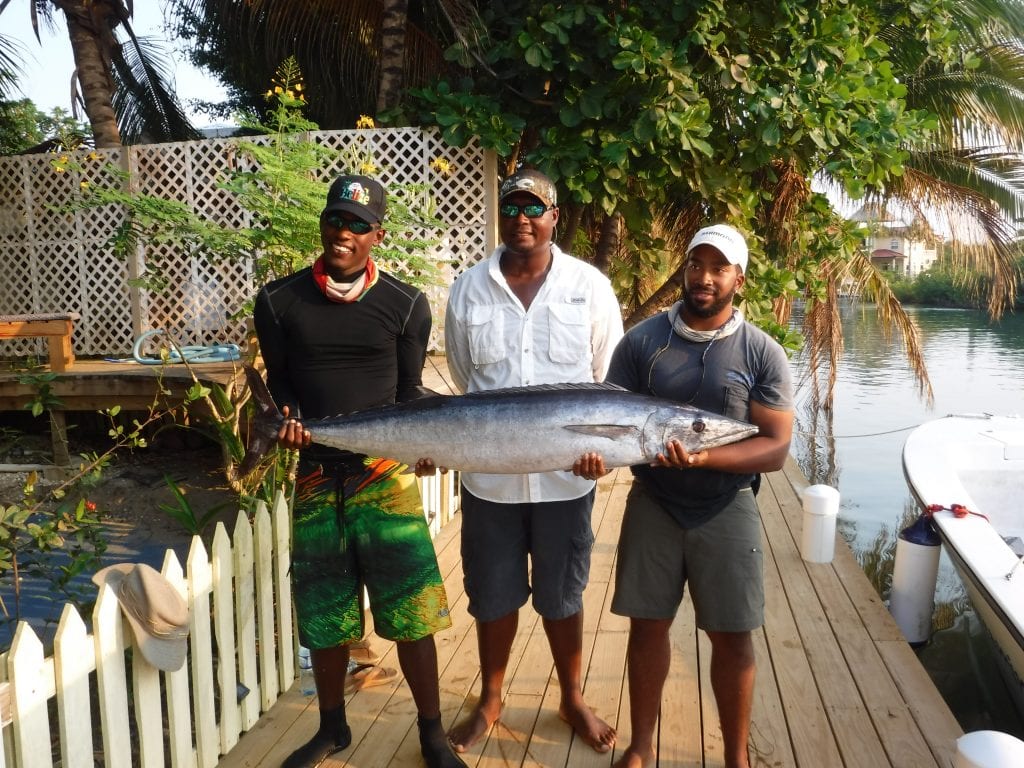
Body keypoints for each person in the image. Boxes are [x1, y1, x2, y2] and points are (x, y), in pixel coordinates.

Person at [253, 175, 467, 768]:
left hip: (384, 475)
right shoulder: (278, 301)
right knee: (324, 612)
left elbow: (407, 394)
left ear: (377, 234)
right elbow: (282, 384)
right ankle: (331, 728)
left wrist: (425, 444)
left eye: (356, 225)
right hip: (318, 473)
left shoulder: (405, 304)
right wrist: (288, 420)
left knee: (412, 609)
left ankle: (430, 732)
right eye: (334, 221)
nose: (342, 233)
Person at [573, 224, 794, 768]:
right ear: (685, 267)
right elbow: (606, 423)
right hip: (654, 501)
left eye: (719, 268)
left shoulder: (762, 353)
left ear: (738, 279)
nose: (705, 278)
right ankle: (641, 745)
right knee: (648, 627)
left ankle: (736, 757)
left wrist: (703, 458)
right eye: (697, 264)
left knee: (733, 636)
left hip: (728, 505)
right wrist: (593, 462)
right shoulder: (643, 342)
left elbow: (775, 448)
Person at [440, 168, 624, 754]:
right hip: (490, 484)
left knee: (562, 596)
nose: (521, 217)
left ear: (554, 217)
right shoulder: (469, 287)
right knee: (492, 596)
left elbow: (607, 381)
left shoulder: (590, 286)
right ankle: (490, 699)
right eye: (512, 206)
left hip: (566, 482)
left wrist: (600, 456)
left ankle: (571, 697)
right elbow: (470, 381)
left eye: (534, 207)